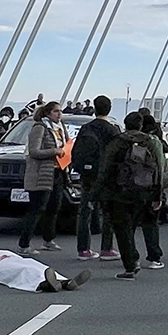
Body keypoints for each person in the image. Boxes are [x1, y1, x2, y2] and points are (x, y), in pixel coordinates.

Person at [100, 112, 167, 279]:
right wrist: (158, 195)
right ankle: (153, 256)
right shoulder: (152, 142)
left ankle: (130, 264)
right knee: (148, 224)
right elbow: (159, 169)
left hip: (120, 193)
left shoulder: (117, 141)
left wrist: (100, 192)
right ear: (140, 125)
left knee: (123, 229)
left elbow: (105, 168)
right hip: (145, 191)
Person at [69, 96, 120, 260]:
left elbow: (76, 151)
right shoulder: (112, 130)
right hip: (107, 176)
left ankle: (83, 249)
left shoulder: (85, 128)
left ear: (94, 108)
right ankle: (106, 249)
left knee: (85, 211)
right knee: (108, 212)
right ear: (109, 109)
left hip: (88, 175)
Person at [18, 101, 68, 254]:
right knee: (37, 208)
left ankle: (48, 239)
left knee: (54, 207)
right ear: (47, 113)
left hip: (57, 172)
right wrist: (54, 151)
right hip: (42, 174)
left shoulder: (60, 128)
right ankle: (24, 244)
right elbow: (34, 151)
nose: (59, 114)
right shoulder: (40, 128)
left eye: (60, 111)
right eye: (56, 111)